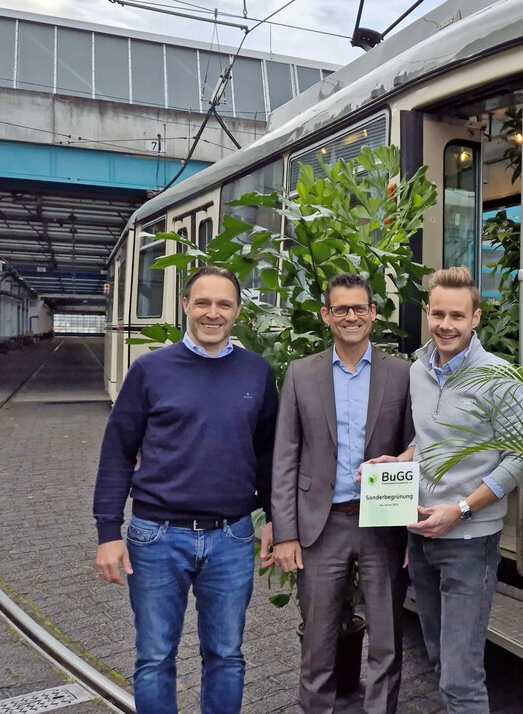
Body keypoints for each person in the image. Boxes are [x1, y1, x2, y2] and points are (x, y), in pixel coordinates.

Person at [93, 265, 279, 714]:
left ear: (237, 311)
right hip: (156, 536)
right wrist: (108, 533)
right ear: (185, 306)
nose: (213, 313)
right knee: (155, 657)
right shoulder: (150, 370)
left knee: (226, 655)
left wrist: (277, 518)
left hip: (232, 537)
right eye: (203, 303)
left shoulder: (257, 372)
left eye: (224, 304)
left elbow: (268, 454)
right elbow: (118, 452)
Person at [369, 267, 523, 714]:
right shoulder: (419, 370)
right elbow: (429, 439)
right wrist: (401, 459)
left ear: (475, 318)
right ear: (427, 313)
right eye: (438, 314)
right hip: (421, 537)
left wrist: (461, 509)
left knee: (461, 679)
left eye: (457, 316)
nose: (446, 324)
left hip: (469, 542)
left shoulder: (498, 377)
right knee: (441, 661)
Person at [269, 273, 414, 714]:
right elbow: (285, 456)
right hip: (321, 526)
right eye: (341, 309)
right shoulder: (301, 374)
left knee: (387, 644)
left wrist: (412, 531)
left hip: (383, 526)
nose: (351, 316)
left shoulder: (402, 374)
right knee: (317, 643)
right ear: (326, 315)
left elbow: (416, 450)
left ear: (374, 313)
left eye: (359, 308)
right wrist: (286, 534)